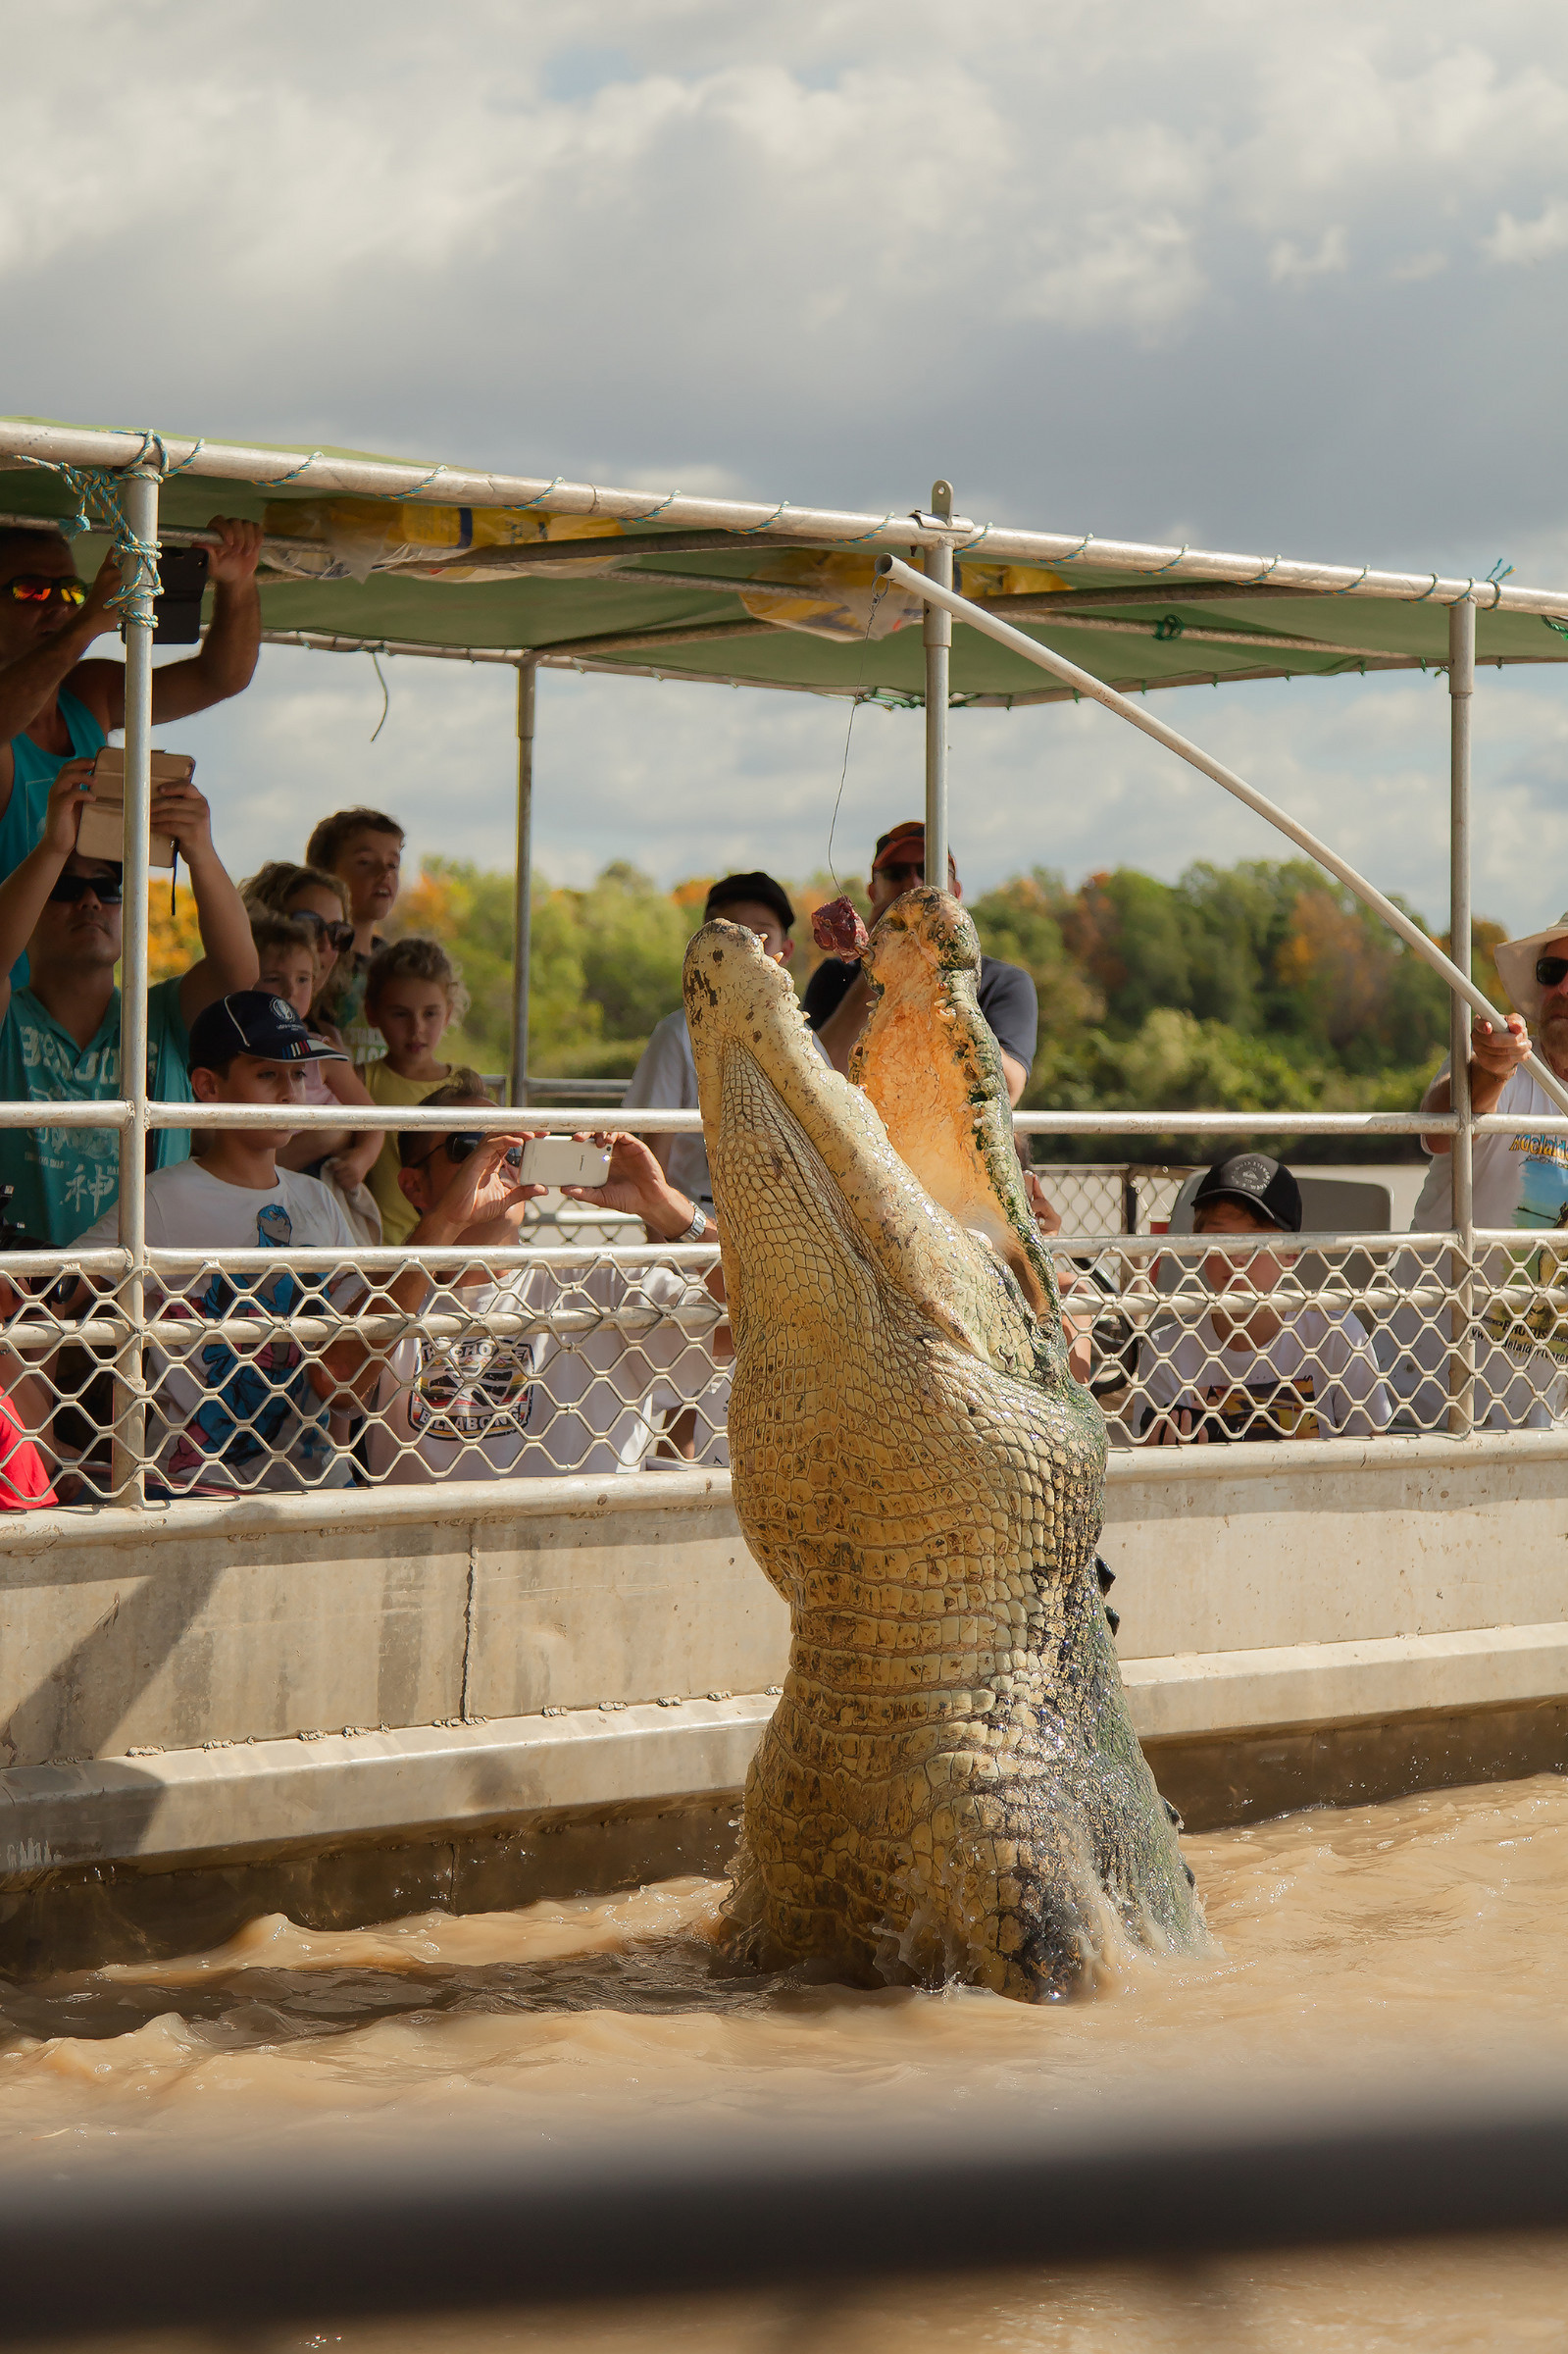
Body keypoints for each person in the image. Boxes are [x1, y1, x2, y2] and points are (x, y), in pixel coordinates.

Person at [74, 995, 532, 1496]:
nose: (291, 1093)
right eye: (268, 1076)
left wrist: (340, 1461)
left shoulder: (316, 1198)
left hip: (315, 1482)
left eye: (299, 1076)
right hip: (196, 1484)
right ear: (208, 1086)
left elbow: (350, 1345)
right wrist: (52, 1437)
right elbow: (55, 1290)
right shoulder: (160, 1199)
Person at [363, 1082, 729, 1483]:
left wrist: (664, 1207)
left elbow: (764, 1315)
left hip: (582, 1542)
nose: (496, 1159)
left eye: (511, 1147)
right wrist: (447, 1221)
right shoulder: (376, 1288)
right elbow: (335, 1381)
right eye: (468, 1147)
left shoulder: (606, 1287)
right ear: (414, 1186)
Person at [0, 760, 257, 1246]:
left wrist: (200, 850)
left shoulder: (159, 1016)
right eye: (66, 886)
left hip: (148, 1293)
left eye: (109, 886)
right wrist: (53, 847)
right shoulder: (8, 1018)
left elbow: (239, 974)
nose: (92, 902)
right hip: (26, 1296)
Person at [0, 518, 264, 887]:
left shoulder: (88, 693)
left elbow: (221, 678)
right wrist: (87, 623)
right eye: (31, 591)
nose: (59, 604)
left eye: (72, 591)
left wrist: (237, 581)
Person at [1392, 912, 1568, 1427]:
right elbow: (1437, 1127)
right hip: (1419, 1404)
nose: (1562, 987)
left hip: (1544, 1419)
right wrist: (1488, 1071)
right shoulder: (1497, 1059)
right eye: (1551, 971)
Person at [1138, 1153, 1391, 1443]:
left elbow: (1373, 1448)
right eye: (1220, 1239)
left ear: (1291, 1252)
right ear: (1197, 1245)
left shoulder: (1337, 1335)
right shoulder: (1166, 1350)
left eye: (1257, 1241)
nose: (1236, 1257)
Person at [804, 821, 1038, 1103]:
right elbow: (817, 1081)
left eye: (928, 870)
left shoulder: (1003, 982)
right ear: (872, 892)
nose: (913, 883)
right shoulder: (835, 976)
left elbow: (1008, 1090)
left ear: (957, 891)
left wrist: (943, 976)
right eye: (895, 873)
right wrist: (882, 964)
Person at [623, 871, 808, 1211]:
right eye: (727, 931)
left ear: (787, 949)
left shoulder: (802, 1036)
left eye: (761, 934)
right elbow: (653, 1152)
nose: (744, 945)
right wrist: (664, 1250)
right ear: (701, 943)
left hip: (787, 1225)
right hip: (701, 1225)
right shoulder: (678, 1033)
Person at [249, 913, 380, 1192]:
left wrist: (361, 1159)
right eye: (273, 978)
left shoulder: (322, 1053)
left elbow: (373, 1118)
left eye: (303, 979)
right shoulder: (235, 1052)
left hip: (316, 1179)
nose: (290, 991)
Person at [358, 937, 468, 1247]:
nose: (416, 1028)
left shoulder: (463, 1084)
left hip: (448, 1246)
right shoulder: (362, 1080)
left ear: (447, 1013)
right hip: (379, 1247)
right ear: (373, 1012)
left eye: (429, 1014)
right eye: (400, 1014)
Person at [303, 807, 404, 1061]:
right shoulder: (313, 959)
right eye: (365, 862)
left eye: (393, 864)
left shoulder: (397, 964)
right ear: (325, 875)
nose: (385, 873)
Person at [241, 860, 356, 1038]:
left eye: (338, 932)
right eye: (308, 926)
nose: (325, 945)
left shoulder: (329, 1037)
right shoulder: (227, 1025)